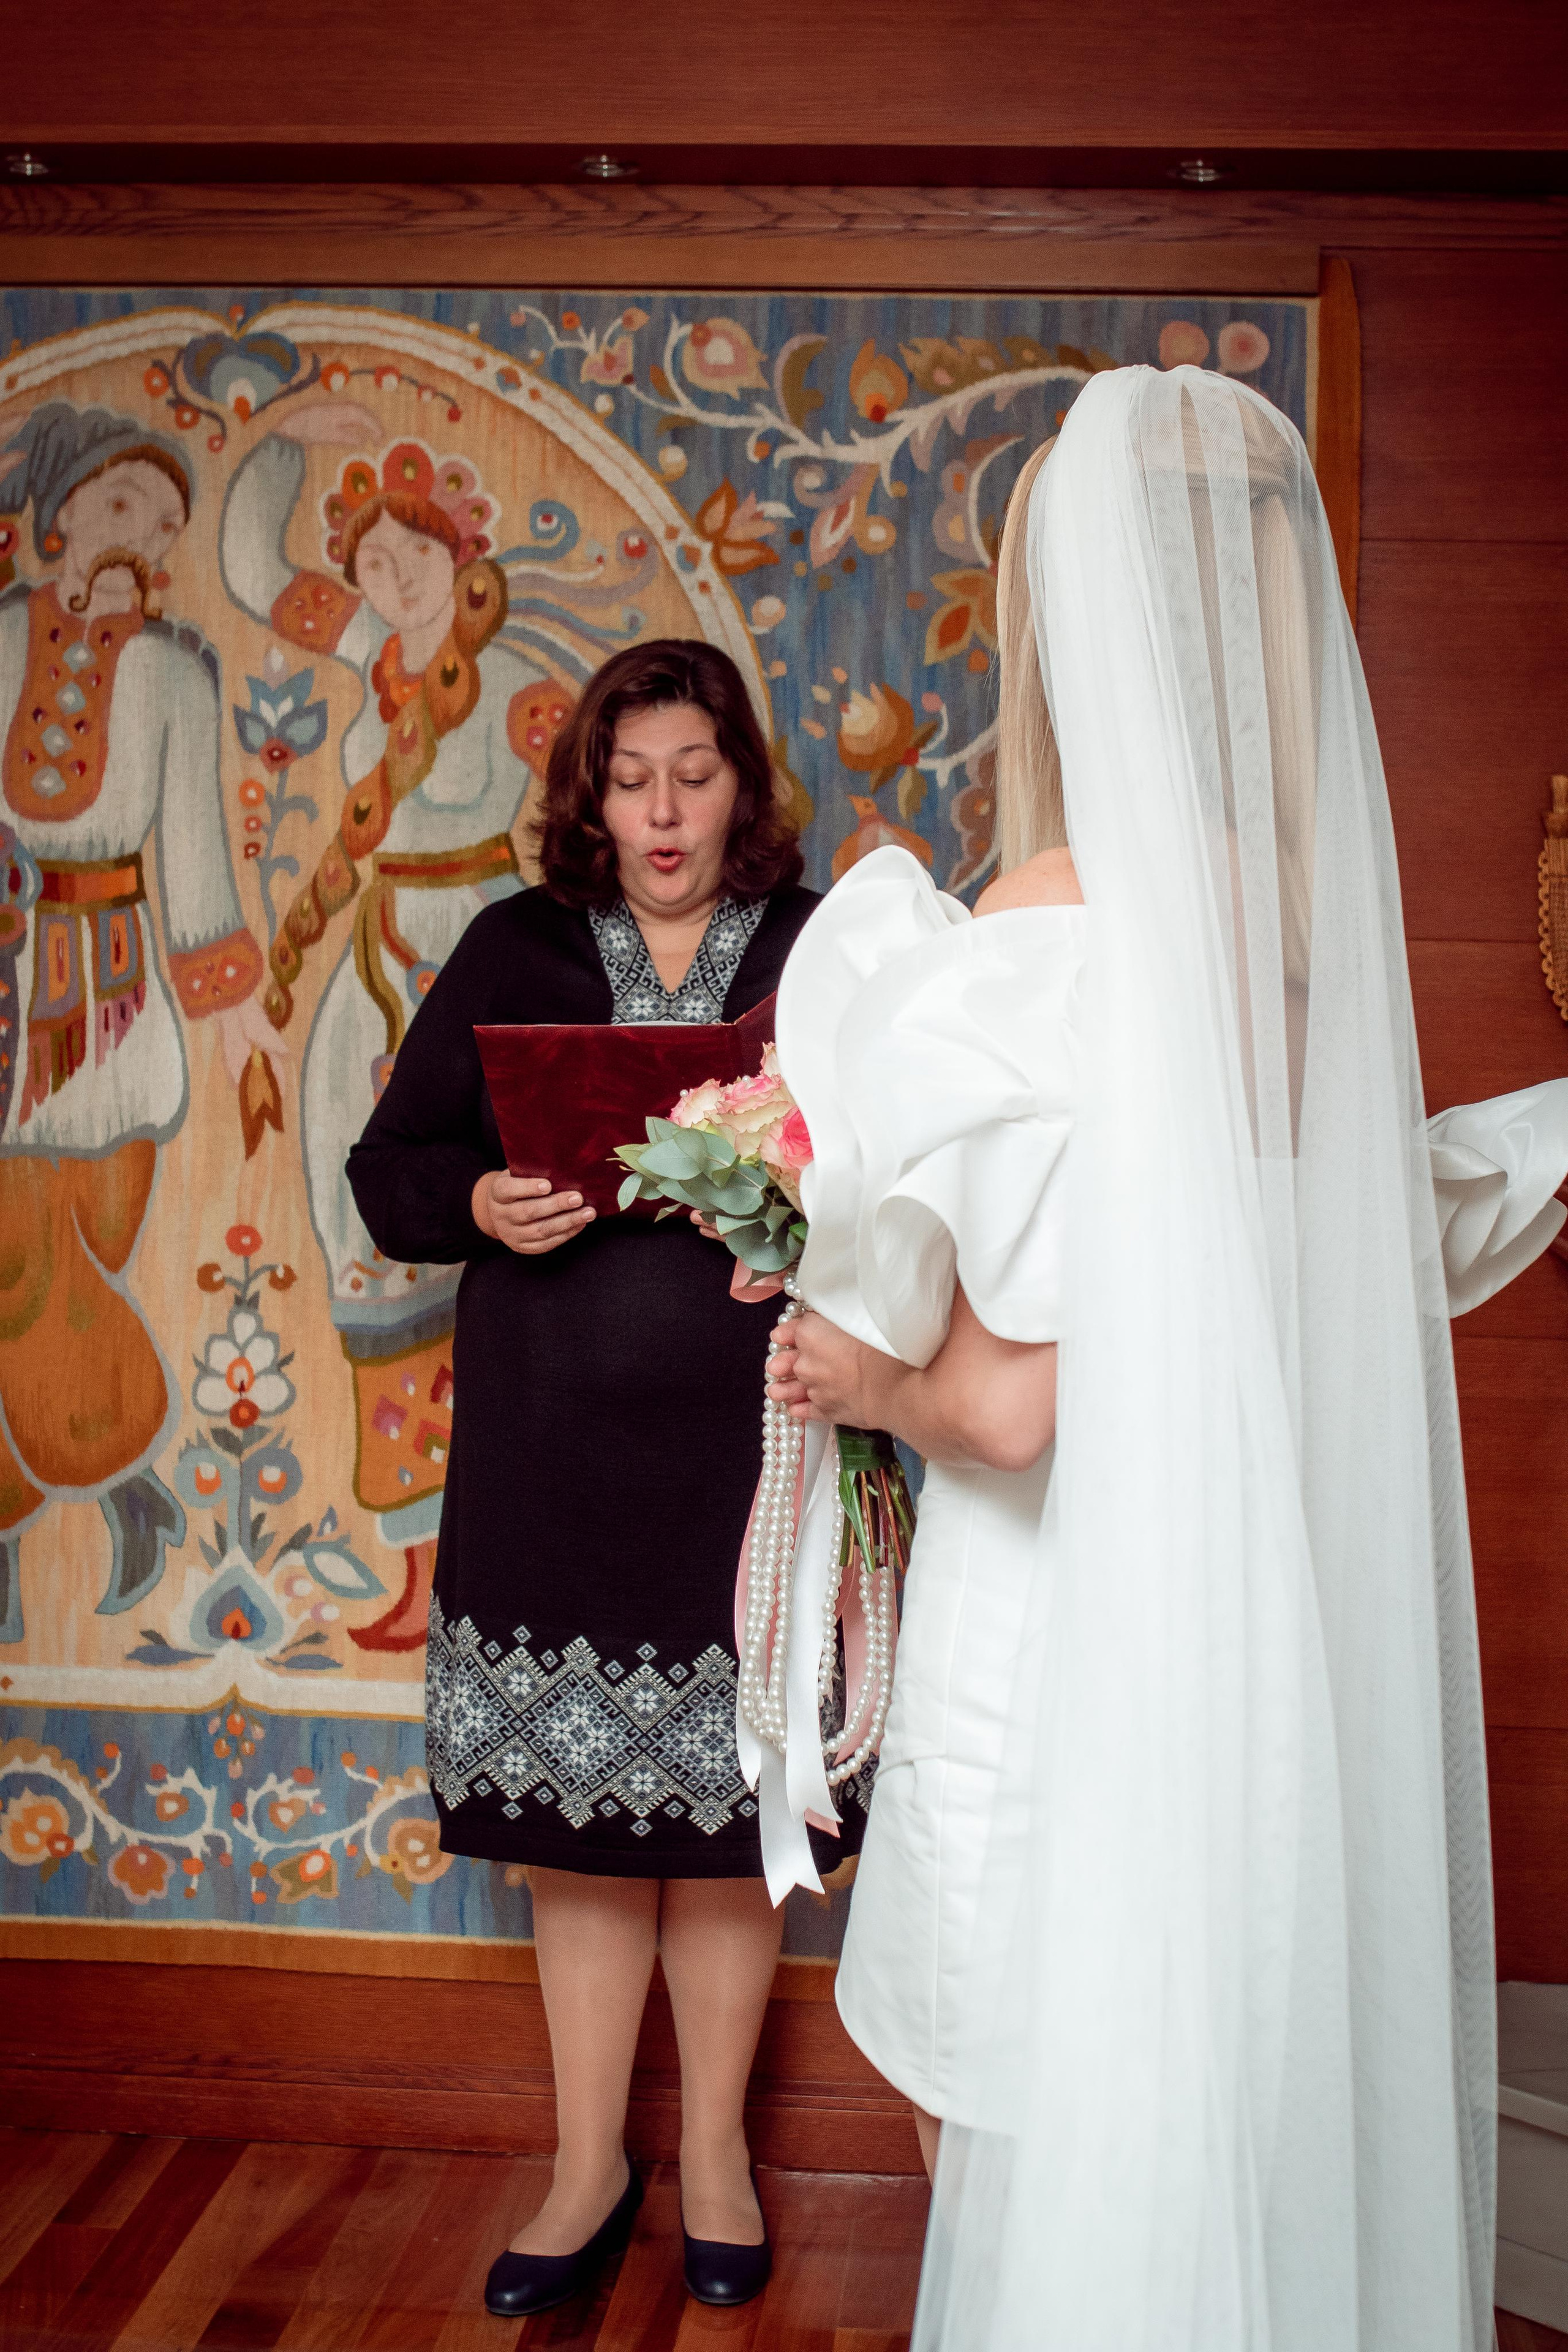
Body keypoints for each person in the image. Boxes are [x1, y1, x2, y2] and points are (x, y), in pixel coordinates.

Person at [767, 370, 1568, 2350]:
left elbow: (1016, 1410)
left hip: (1057, 1664)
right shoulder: (1306, 941)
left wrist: (859, 1380)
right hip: (1254, 1651)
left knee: (1015, 2136)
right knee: (1209, 2120)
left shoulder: (1044, 927)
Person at [346, 638, 872, 2318]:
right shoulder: (514, 945)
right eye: (631, 780)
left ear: (740, 790)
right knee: (576, 1839)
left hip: (754, 1456)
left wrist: (818, 1228)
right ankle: (588, 2169)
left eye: (692, 778)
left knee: (727, 1825)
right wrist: (478, 1201)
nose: (661, 813)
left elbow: (904, 1178)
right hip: (548, 1460)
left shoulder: (817, 953)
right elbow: (389, 1168)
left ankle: (713, 2156)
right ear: (592, 794)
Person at [221, 403, 557, 1648]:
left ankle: (519, 1557)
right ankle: (418, 1568)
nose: (395, 578)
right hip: (374, 972)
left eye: (415, 554)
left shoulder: (512, 682)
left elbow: (604, 799)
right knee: (364, 1242)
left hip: (487, 967)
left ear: (462, 559)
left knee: (526, 1252)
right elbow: (252, 573)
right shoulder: (372, 655)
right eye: (374, 562)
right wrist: (278, 431)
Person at [0, 400, 282, 1638]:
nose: (142, 536)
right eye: (122, 504)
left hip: (121, 1010)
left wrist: (232, 1013)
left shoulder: (173, 671)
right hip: (9, 991)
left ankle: (13, 1545)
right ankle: (125, 1478)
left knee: (81, 1257)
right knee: (21, 1269)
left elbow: (197, 854)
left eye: (164, 523)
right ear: (61, 515)